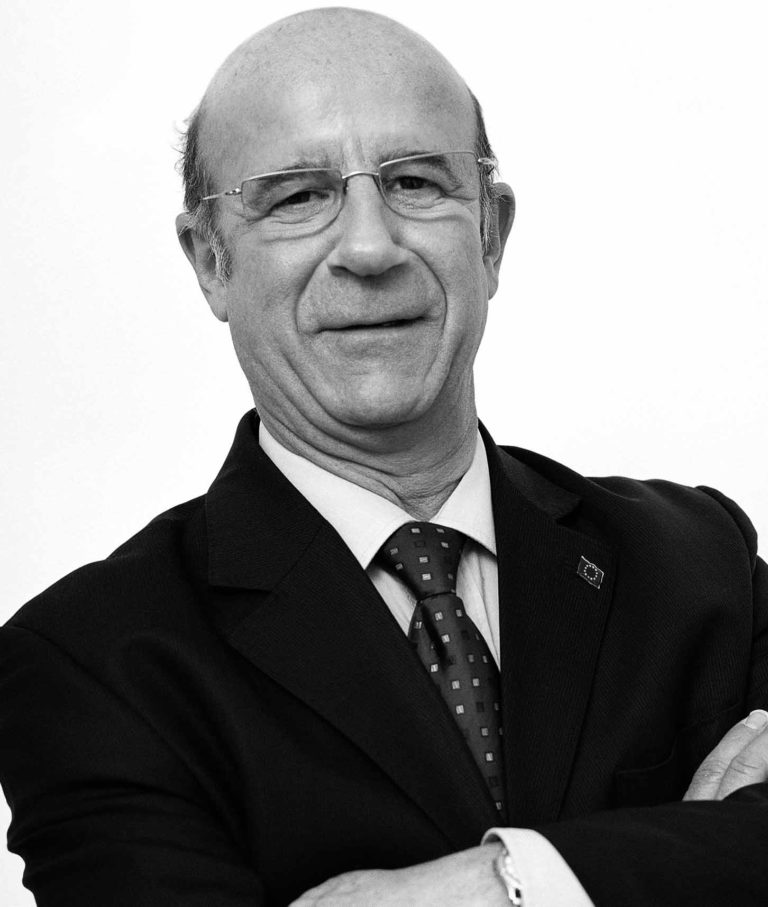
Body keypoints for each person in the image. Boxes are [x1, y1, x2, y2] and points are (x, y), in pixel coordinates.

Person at [1, 7, 767, 905]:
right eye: (297, 197)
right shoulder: (90, 665)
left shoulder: (696, 561)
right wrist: (691, 855)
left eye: (414, 182)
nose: (369, 247)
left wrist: (503, 882)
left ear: (491, 235)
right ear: (210, 260)